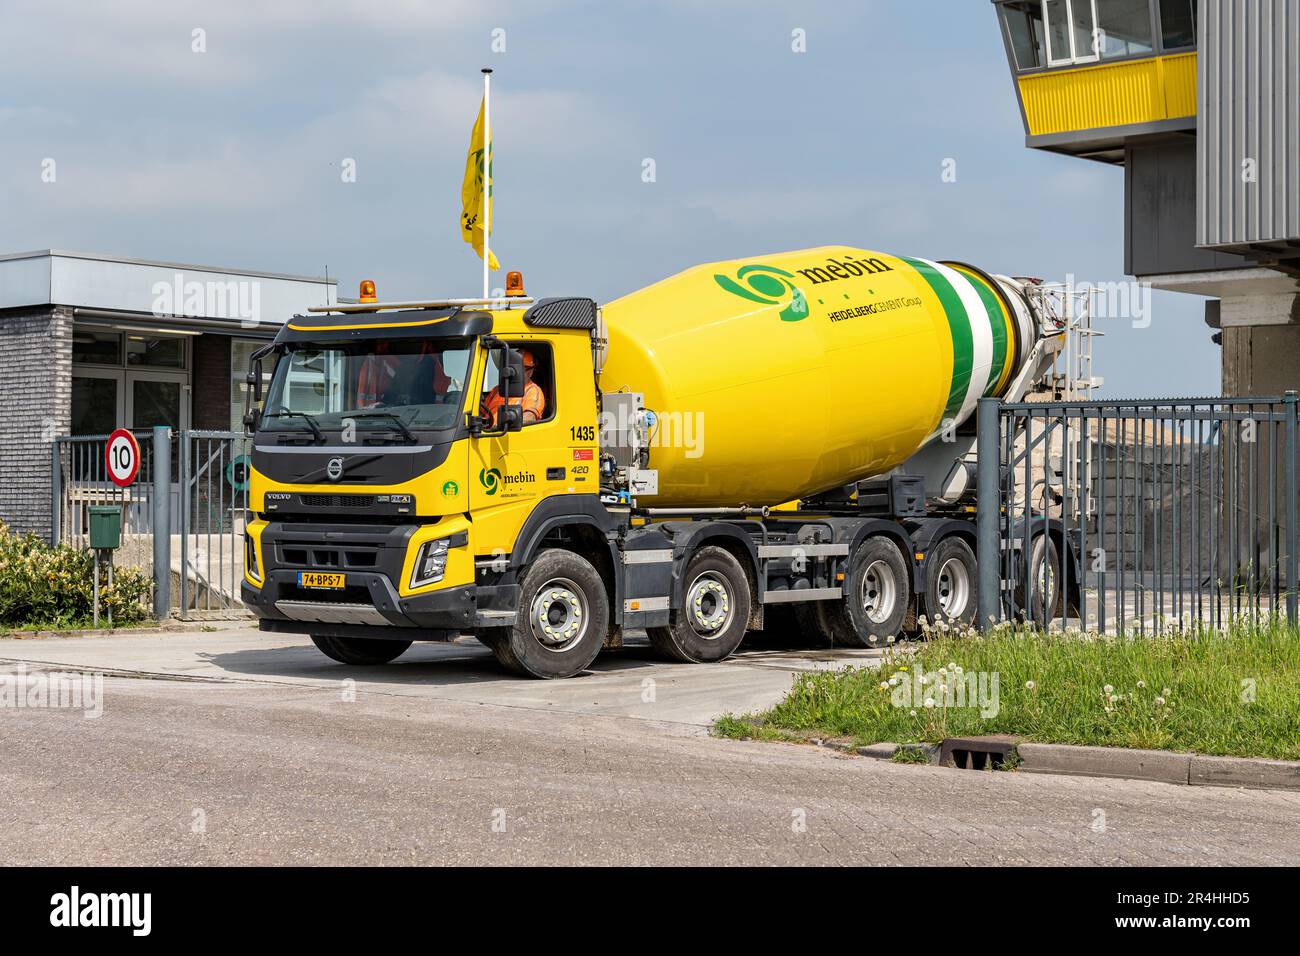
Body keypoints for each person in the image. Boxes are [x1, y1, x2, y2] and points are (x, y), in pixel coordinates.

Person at [480, 347, 545, 426]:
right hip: (486, 433)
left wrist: (502, 425)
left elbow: (530, 417)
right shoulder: (497, 389)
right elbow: (481, 412)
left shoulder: (533, 391)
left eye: (520, 369)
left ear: (530, 372)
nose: (514, 373)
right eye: (512, 368)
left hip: (506, 435)